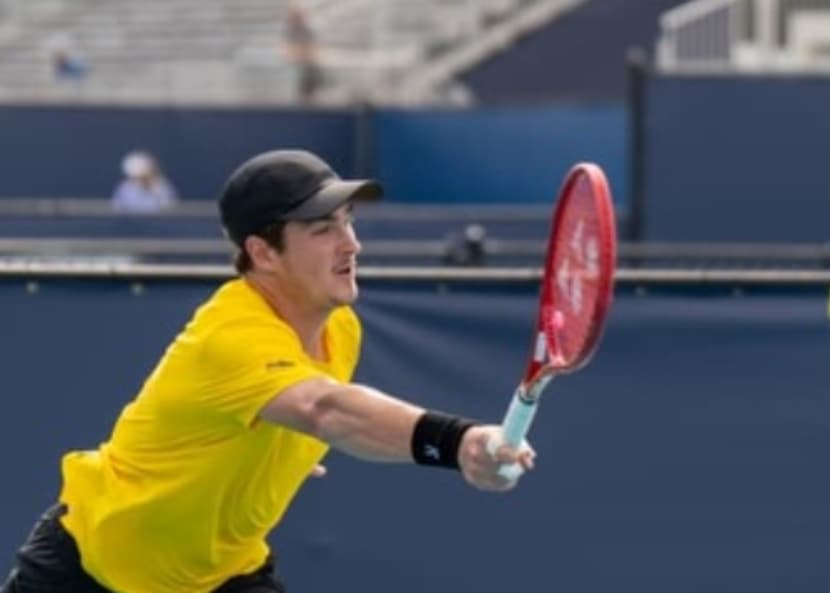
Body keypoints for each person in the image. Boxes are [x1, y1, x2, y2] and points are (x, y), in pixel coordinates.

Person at [1, 149, 534, 593]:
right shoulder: (231, 335)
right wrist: (457, 441)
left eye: (349, 224)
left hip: (222, 577)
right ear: (263, 252)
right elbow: (325, 409)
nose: (352, 244)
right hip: (89, 573)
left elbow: (307, 413)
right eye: (324, 229)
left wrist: (268, 461)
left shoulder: (340, 327)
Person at [111, 150, 179, 214]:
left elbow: (170, 209)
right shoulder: (124, 189)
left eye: (143, 175)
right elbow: (117, 210)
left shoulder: (163, 187)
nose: (140, 179)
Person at [282, 3, 322, 103]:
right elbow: (286, 51)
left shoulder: (308, 31)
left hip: (307, 68)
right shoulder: (289, 32)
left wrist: (302, 54)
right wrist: (297, 54)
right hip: (292, 70)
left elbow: (312, 50)